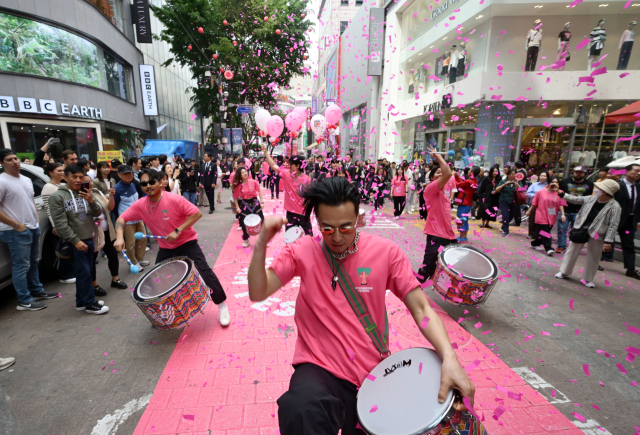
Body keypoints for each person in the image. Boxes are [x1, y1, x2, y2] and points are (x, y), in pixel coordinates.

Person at [247, 176, 475, 435]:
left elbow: (422, 310)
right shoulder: (301, 251)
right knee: (301, 407)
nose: (336, 237)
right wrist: (262, 243)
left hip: (373, 375)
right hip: (319, 368)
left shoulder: (386, 253)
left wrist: (449, 357)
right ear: (317, 222)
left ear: (359, 218)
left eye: (346, 227)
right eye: (327, 228)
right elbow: (258, 291)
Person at [114, 170, 230, 326]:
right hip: (166, 248)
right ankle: (164, 313)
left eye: (151, 182)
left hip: (187, 243)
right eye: (143, 184)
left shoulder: (174, 199)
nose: (148, 186)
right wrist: (120, 236)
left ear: (160, 182)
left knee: (204, 272)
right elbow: (122, 218)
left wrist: (178, 230)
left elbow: (196, 213)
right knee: (157, 279)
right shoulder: (141, 205)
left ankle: (222, 305)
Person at [0, 149, 58, 311]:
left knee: (33, 262)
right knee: (21, 265)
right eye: (10, 160)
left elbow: (30, 200)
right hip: (15, 230)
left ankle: (37, 290)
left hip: (32, 226)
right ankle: (24, 300)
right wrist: (15, 224)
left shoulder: (25, 179)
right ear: (2, 163)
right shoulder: (2, 181)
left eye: (15, 158)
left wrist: (36, 219)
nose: (15, 162)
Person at [49, 165, 109, 314]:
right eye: (74, 177)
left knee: (86, 272)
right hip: (75, 242)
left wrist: (91, 200)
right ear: (66, 177)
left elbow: (98, 212)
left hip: (89, 238)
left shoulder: (86, 192)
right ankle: (90, 304)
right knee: (84, 273)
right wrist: (75, 240)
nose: (78, 180)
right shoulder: (57, 197)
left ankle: (81, 302)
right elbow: (60, 224)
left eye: (80, 177)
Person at [555, 179, 621, 288]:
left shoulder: (614, 206)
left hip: (597, 233)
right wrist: (561, 193)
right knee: (572, 250)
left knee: (594, 255)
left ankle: (587, 278)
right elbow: (575, 199)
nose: (596, 189)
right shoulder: (591, 198)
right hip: (581, 229)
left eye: (599, 188)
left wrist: (608, 240)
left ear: (605, 191)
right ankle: (564, 271)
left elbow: (613, 224)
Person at [416, 147, 457, 283]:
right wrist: (438, 157)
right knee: (427, 267)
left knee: (451, 266)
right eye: (437, 173)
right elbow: (447, 174)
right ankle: (413, 288)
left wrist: (453, 217)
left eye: (441, 172)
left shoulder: (444, 193)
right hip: (436, 234)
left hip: (449, 235)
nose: (441, 174)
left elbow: (442, 211)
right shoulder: (431, 187)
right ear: (432, 177)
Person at [84, 174, 128, 292]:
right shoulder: (80, 196)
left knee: (112, 254)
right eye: (87, 182)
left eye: (91, 181)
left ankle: (115, 279)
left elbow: (110, 207)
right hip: (92, 232)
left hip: (107, 230)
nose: (91, 184)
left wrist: (112, 196)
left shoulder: (96, 192)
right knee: (92, 259)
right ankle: (94, 285)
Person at [262, 145, 313, 235]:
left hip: (304, 214)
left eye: (291, 164)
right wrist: (266, 152)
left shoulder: (307, 179)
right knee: (289, 238)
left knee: (310, 237)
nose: (288, 165)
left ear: (297, 165)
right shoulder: (286, 174)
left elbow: (311, 197)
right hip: (290, 214)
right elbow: (273, 166)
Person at [41, 162, 76, 284]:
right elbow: (49, 208)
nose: (62, 172)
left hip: (69, 220)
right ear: (51, 173)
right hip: (59, 222)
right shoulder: (48, 187)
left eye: (63, 170)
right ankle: (65, 275)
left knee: (71, 247)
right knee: (64, 248)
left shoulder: (62, 185)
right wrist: (55, 225)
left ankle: (72, 272)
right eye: (59, 171)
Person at [114, 165, 149, 269]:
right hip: (127, 221)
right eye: (125, 174)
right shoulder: (117, 188)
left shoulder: (133, 184)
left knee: (143, 239)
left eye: (130, 173)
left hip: (138, 218)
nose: (128, 176)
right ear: (119, 175)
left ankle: (139, 259)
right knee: (130, 244)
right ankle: (133, 263)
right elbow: (114, 207)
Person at [556, 166, 593, 253]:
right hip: (564, 210)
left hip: (580, 211)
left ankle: (572, 248)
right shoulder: (564, 182)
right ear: (573, 172)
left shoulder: (589, 184)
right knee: (561, 229)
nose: (578, 174)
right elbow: (558, 194)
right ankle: (561, 246)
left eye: (581, 172)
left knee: (576, 231)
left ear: (584, 174)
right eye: (576, 172)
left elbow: (590, 198)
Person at [526, 176, 565, 256]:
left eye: (556, 182)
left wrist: (563, 214)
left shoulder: (560, 192)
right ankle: (548, 248)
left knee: (543, 232)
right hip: (541, 215)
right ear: (548, 183)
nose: (554, 184)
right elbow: (534, 203)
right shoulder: (541, 192)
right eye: (552, 182)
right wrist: (529, 211)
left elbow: (561, 204)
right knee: (545, 232)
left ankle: (535, 243)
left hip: (552, 216)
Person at [613, 163, 640, 279]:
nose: (638, 173)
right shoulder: (618, 185)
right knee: (603, 241)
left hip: (630, 221)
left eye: (639, 172)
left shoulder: (638, 187)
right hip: (615, 218)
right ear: (627, 172)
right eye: (636, 171)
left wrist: (638, 221)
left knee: (629, 245)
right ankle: (596, 262)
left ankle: (631, 269)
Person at [233, 168, 265, 248]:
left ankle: (263, 239)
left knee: (261, 220)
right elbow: (235, 198)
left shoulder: (254, 182)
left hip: (255, 203)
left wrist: (262, 202)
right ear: (239, 175)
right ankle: (246, 239)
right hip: (245, 204)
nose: (245, 173)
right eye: (242, 172)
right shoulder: (238, 186)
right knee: (243, 222)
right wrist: (237, 207)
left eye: (245, 171)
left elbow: (259, 192)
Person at [453, 166, 481, 243]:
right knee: (465, 220)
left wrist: (453, 177)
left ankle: (462, 237)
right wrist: (456, 176)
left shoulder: (468, 181)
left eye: (470, 170)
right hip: (468, 203)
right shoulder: (474, 181)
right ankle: (464, 237)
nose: (468, 171)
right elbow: (462, 184)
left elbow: (457, 184)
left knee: (461, 220)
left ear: (472, 172)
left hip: (463, 203)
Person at [495, 169, 522, 237]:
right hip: (504, 201)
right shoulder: (503, 181)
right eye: (510, 174)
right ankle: (506, 231)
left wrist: (518, 185)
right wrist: (504, 184)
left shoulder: (518, 182)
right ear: (507, 174)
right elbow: (497, 189)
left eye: (513, 174)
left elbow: (523, 190)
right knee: (505, 215)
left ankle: (503, 227)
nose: (511, 175)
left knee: (510, 216)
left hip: (514, 202)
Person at [525, 171, 549, 239]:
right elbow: (528, 193)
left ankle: (542, 234)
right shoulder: (534, 185)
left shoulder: (548, 186)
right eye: (541, 175)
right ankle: (532, 234)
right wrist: (536, 195)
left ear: (547, 178)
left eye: (544, 176)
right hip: (534, 204)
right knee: (532, 219)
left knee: (542, 221)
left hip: (544, 206)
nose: (542, 177)